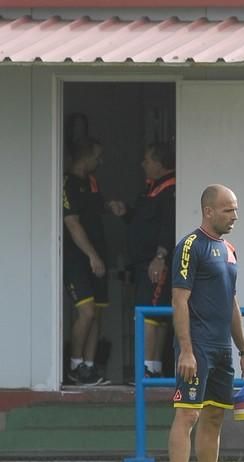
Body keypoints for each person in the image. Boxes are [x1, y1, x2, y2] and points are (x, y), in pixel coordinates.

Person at [168, 184, 244, 462]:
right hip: (198, 347)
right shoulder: (191, 245)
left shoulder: (229, 248)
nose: (235, 216)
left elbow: (231, 302)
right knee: (188, 415)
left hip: (222, 348)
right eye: (228, 210)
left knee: (216, 415)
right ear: (208, 211)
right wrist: (186, 349)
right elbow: (179, 300)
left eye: (235, 209)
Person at [113, 142, 176, 380]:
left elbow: (168, 227)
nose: (143, 164)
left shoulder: (170, 190)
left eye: (147, 160)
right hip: (142, 264)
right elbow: (144, 222)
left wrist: (160, 257)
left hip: (155, 263)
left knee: (151, 313)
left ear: (159, 164)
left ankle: (149, 368)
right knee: (154, 311)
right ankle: (153, 367)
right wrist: (126, 212)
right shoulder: (152, 188)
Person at [63, 137, 120, 385]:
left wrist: (110, 206)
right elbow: (72, 222)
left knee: (96, 312)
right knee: (85, 312)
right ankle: (75, 367)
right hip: (78, 259)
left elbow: (94, 207)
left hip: (98, 257)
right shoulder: (68, 183)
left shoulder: (92, 182)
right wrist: (91, 255)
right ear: (85, 157)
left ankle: (89, 367)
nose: (100, 161)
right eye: (97, 156)